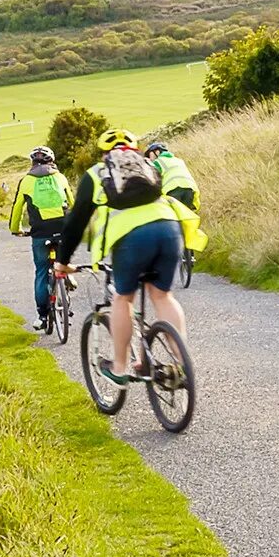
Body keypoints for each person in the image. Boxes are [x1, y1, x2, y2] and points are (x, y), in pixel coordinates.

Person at [53, 127, 189, 382]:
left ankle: (119, 367)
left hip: (132, 238)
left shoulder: (96, 173)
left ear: (104, 153)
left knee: (123, 299)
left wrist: (63, 262)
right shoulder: (150, 165)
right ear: (135, 149)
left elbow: (75, 222)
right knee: (161, 295)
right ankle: (182, 366)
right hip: (170, 229)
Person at [8, 146, 73, 330]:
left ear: (33, 163)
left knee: (42, 272)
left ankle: (42, 316)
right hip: (63, 228)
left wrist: (16, 229)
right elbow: (73, 202)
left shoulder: (26, 181)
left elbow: (17, 208)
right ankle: (66, 274)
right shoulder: (60, 177)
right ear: (52, 161)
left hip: (40, 232)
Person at [145, 139, 199, 212]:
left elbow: (152, 179)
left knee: (175, 215)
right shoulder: (178, 160)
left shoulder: (158, 162)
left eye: (150, 154)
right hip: (190, 189)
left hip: (173, 190)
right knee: (186, 214)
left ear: (157, 152)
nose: (150, 158)